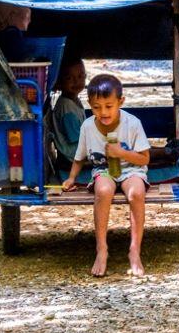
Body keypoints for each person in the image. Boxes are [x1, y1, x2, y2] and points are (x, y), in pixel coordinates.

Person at [61, 74, 150, 277]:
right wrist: (71, 178)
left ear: (121, 102)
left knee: (136, 192)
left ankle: (134, 251)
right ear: (89, 105)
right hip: (103, 170)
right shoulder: (88, 126)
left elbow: (144, 159)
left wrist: (122, 153)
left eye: (109, 106)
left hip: (131, 169)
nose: (103, 112)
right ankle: (102, 249)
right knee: (103, 190)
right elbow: (79, 158)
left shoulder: (132, 123)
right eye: (96, 107)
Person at [48, 56, 87, 167]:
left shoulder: (73, 100)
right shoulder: (67, 107)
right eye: (70, 78)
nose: (76, 81)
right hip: (71, 157)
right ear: (59, 82)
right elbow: (74, 137)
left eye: (80, 76)